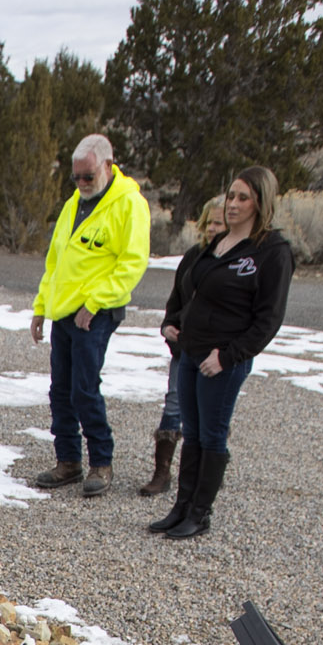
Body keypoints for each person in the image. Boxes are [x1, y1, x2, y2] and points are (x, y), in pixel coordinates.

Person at [149, 166, 294, 541]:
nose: (233, 204)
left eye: (243, 197)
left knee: (212, 436)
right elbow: (192, 292)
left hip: (222, 361)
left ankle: (200, 512)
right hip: (192, 353)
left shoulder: (270, 252)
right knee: (192, 434)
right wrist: (173, 323)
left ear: (261, 202)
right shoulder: (218, 244)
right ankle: (182, 506)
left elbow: (268, 319)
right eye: (231, 196)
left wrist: (228, 356)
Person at [28, 134, 151, 497]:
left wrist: (95, 303)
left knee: (84, 388)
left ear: (108, 167)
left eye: (88, 176)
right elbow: (56, 261)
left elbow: (132, 263)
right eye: (76, 178)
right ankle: (68, 460)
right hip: (64, 311)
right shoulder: (73, 204)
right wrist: (40, 308)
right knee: (60, 389)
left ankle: (101, 462)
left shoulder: (129, 204)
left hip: (94, 314)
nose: (82, 184)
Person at [139, 195, 225, 497]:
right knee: (175, 404)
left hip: (218, 352)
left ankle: (207, 475)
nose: (213, 228)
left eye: (220, 223)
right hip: (185, 348)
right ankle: (162, 472)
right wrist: (169, 325)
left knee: (210, 413)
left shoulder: (238, 263)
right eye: (210, 222)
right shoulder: (194, 257)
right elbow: (176, 300)